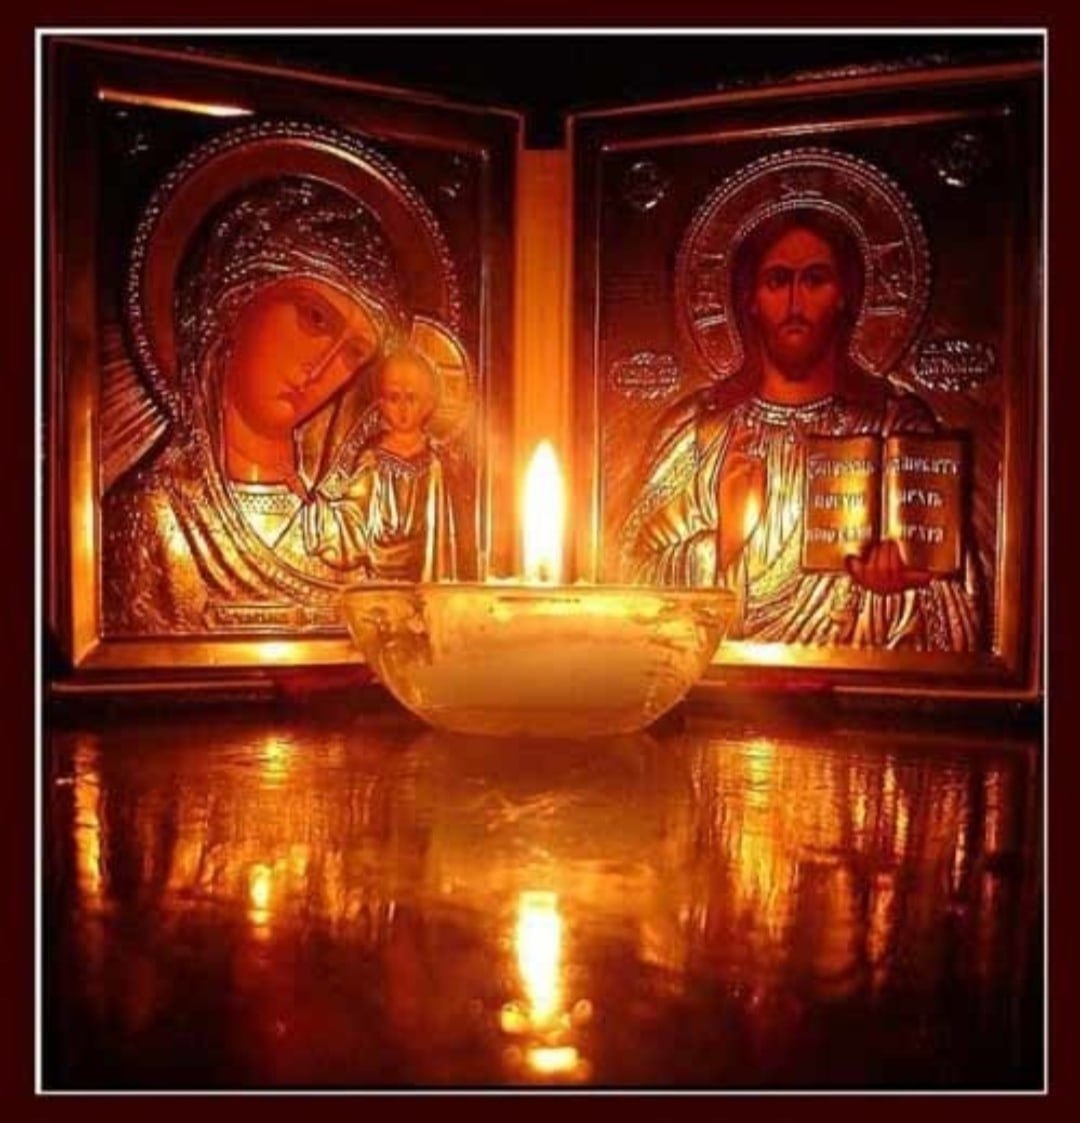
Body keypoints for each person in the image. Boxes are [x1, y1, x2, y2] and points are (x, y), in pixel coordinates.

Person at [620, 207, 982, 651]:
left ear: (844, 295)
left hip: (865, 691)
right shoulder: (697, 432)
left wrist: (899, 587)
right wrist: (723, 545)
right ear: (750, 298)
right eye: (777, 281)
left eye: (814, 280)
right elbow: (628, 587)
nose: (795, 304)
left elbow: (962, 614)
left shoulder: (895, 429)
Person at [103, 177, 430, 633]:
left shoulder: (351, 524)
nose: (322, 368)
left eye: (355, 353)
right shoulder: (152, 514)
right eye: (315, 318)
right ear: (237, 298)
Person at [302, 347, 458, 581]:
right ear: (382, 404)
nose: (403, 409)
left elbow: (448, 531)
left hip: (426, 571)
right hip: (381, 575)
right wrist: (316, 510)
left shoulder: (437, 462)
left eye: (411, 398)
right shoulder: (372, 460)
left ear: (428, 403)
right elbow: (354, 518)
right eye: (394, 398)